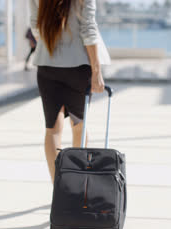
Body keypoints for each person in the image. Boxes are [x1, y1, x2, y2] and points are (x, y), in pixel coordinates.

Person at [29, 0, 111, 183]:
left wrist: (52, 45)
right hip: (78, 67)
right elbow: (88, 29)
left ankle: (58, 189)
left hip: (46, 64)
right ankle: (76, 183)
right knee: (79, 126)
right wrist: (97, 71)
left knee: (53, 129)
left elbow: (35, 24)